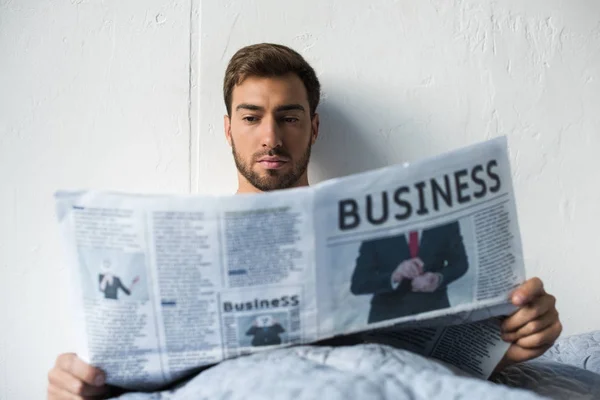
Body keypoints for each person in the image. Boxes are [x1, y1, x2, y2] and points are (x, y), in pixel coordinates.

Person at [47, 43, 562, 399]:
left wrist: (517, 340)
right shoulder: (178, 249)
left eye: (289, 117)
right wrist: (79, 382)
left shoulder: (375, 245)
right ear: (228, 129)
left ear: (313, 127)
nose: (270, 137)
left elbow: (455, 358)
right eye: (251, 117)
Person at [351, 221, 469, 323]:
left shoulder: (445, 222)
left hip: (435, 312)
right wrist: (394, 276)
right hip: (387, 316)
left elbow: (460, 263)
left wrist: (438, 278)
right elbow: (358, 283)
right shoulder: (377, 228)